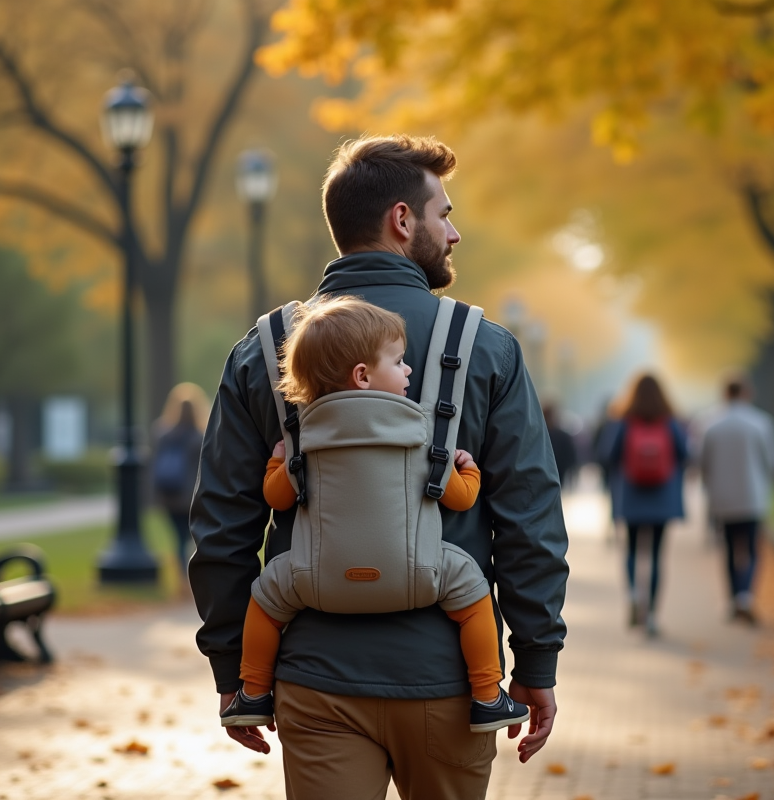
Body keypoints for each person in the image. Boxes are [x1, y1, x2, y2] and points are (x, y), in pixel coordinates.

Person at [189, 134, 568, 799]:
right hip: (450, 681)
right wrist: (536, 656)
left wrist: (232, 667)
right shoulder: (486, 349)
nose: (454, 233)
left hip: (315, 679)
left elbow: (222, 524)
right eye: (444, 214)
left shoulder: (263, 350)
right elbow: (529, 518)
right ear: (402, 220)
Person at [220, 295, 530, 735]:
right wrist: (470, 469)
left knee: (266, 600)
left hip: (316, 580)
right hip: (419, 574)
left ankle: (253, 692)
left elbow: (278, 498)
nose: (408, 371)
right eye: (400, 362)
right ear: (363, 376)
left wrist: (276, 463)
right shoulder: (421, 435)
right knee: (474, 594)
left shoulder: (304, 440)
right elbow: (459, 498)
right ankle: (486, 696)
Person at [697, 377, 774, 626]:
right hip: (752, 496)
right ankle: (745, 596)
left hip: (722, 498)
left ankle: (733, 598)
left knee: (728, 548)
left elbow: (702, 462)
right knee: (752, 548)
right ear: (747, 393)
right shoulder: (761, 422)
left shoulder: (710, 424)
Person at [608, 374, 687, 637]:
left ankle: (632, 594)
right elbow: (685, 453)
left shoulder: (625, 421)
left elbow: (608, 454)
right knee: (656, 555)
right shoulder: (669, 421)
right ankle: (651, 614)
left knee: (631, 549)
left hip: (631, 495)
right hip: (662, 497)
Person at [151, 382, 208, 580]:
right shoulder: (200, 436)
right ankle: (194, 578)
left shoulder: (162, 433)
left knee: (178, 539)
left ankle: (181, 579)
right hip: (190, 497)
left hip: (169, 494)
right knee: (192, 538)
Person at [542, 404, 579, 491]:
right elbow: (571, 455)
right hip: (558, 470)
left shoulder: (540, 435)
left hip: (546, 471)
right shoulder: (562, 435)